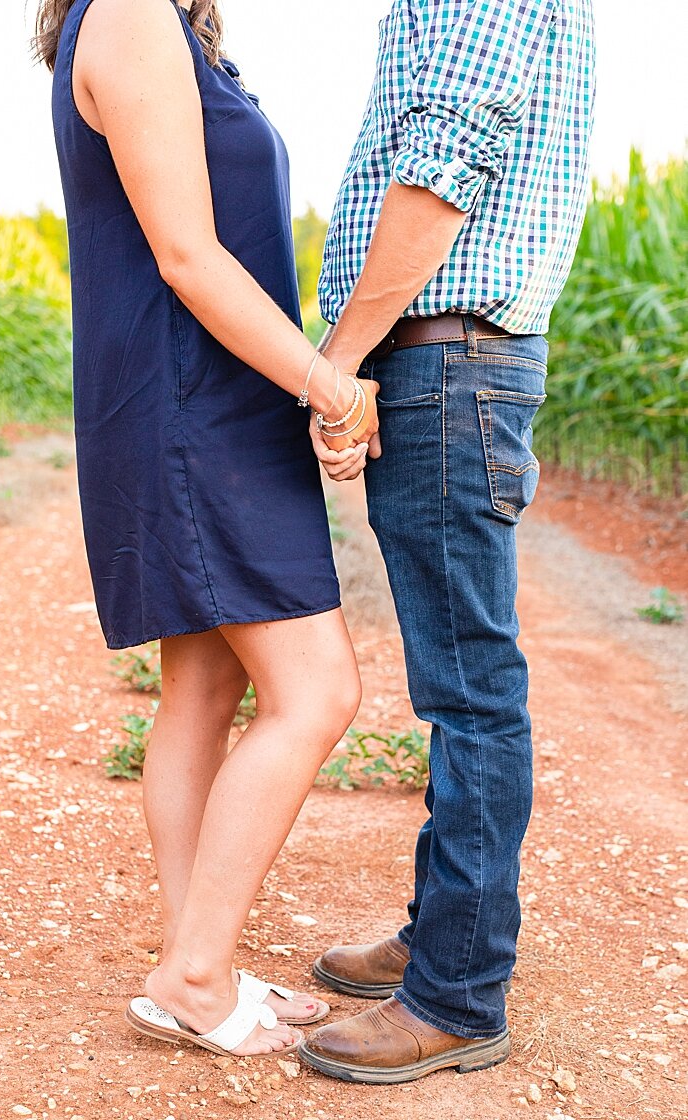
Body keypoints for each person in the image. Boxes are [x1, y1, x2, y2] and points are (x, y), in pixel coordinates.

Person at [37, 0, 377, 1058]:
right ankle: (192, 972)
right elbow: (186, 255)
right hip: (195, 408)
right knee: (319, 690)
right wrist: (330, 385)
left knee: (204, 682)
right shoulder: (133, 14)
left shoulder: (159, 23)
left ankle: (202, 963)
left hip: (206, 402)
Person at [297, 0, 595, 1084]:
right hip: (449, 361)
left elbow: (438, 178)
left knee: (470, 687)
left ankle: (460, 994)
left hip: (448, 360)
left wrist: (336, 364)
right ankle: (442, 940)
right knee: (457, 678)